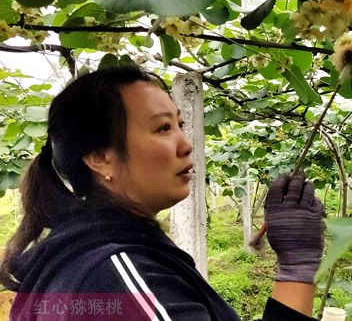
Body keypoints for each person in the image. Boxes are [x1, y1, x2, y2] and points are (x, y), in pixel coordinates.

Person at [1, 65, 325, 320]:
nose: (185, 145)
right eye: (163, 128)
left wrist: (294, 272)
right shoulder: (121, 282)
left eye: (179, 125)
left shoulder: (95, 254)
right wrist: (296, 270)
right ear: (100, 158)